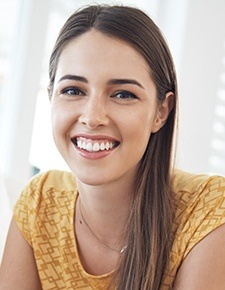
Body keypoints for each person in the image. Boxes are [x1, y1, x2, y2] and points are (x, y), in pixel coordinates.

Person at [1, 4, 225, 290]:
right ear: (51, 98)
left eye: (123, 94)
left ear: (162, 112)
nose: (93, 117)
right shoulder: (40, 203)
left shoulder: (208, 211)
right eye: (73, 90)